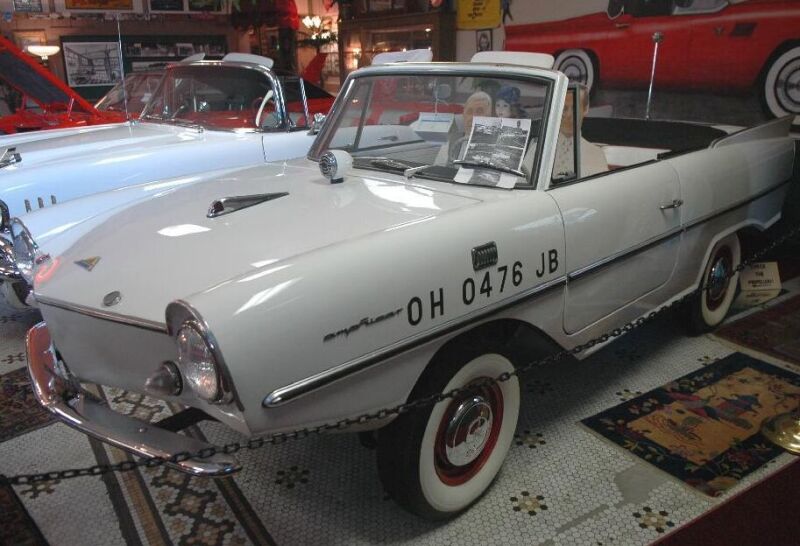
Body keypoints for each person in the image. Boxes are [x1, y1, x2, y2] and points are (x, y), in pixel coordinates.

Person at [552, 87, 608, 180]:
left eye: (575, 108)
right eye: (564, 108)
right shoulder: (539, 149)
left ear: (585, 109)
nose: (569, 115)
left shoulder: (595, 154)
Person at [435, 91, 492, 166]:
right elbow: (438, 168)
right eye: (469, 112)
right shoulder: (451, 141)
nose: (472, 118)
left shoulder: (495, 146)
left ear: (490, 116)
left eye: (479, 112)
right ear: (464, 116)